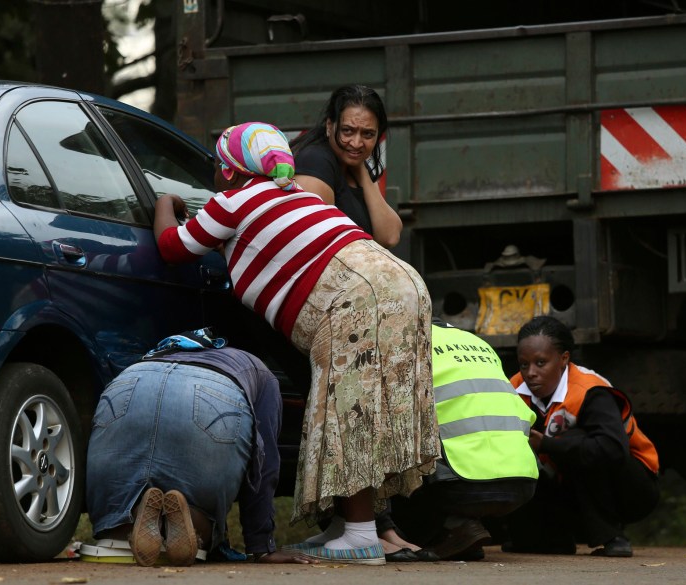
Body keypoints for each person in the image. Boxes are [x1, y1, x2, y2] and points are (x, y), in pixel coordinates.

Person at [153, 123, 438, 565]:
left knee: (349, 409)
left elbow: (172, 247)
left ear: (229, 172)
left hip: (357, 298)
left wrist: (164, 204)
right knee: (371, 406)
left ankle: (361, 537)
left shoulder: (231, 201)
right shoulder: (303, 198)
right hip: (401, 283)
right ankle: (348, 527)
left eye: (215, 167)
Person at [85, 328, 313, 566]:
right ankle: (194, 524)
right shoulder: (258, 370)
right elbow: (264, 466)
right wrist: (262, 546)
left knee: (115, 523)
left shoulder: (159, 352)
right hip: (213, 391)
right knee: (203, 520)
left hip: (132, 381)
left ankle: (126, 525)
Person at [504, 316, 660, 557]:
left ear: (564, 359)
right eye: (524, 365)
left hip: (629, 489)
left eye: (541, 363)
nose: (531, 373)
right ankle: (548, 537)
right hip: (568, 488)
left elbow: (612, 450)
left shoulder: (591, 391)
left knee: (577, 438)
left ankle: (611, 536)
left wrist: (547, 444)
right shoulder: (512, 390)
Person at [388, 319, 539, 561]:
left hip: (459, 483)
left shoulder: (403, 340)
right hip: (524, 483)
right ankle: (460, 532)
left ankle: (450, 527)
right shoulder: (476, 341)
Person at [291, 84, 402, 249]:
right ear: (330, 126)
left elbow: (389, 237)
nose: (356, 143)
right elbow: (319, 244)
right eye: (347, 131)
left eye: (368, 134)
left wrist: (362, 171)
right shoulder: (315, 161)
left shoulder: (355, 167)